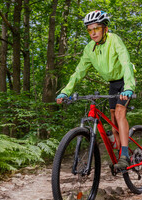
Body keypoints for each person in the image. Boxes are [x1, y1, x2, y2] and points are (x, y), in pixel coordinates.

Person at [56, 10, 136, 170]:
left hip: (125, 80)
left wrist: (129, 87)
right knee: (113, 119)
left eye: (96, 29)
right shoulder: (89, 49)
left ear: (105, 29)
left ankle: (125, 156)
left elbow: (126, 63)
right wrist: (66, 91)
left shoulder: (115, 40)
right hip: (113, 83)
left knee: (120, 112)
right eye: (90, 30)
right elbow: (79, 72)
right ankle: (119, 149)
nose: (93, 33)